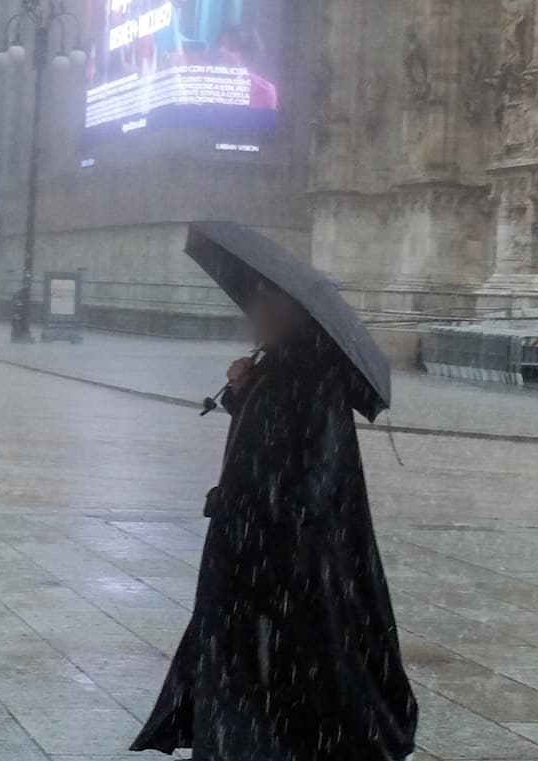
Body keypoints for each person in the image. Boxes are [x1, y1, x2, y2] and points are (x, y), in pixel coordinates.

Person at [131, 280, 418, 759]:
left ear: (294, 314)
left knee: (301, 648)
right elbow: (262, 432)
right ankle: (235, 735)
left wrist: (284, 525)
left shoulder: (316, 374)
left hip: (285, 543)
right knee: (237, 641)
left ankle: (290, 736)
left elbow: (320, 467)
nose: (257, 314)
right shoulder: (276, 363)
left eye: (268, 305)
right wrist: (240, 392)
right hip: (247, 533)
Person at [217, 26, 279, 110]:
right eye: (221, 45)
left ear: (246, 55)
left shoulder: (265, 90)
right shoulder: (203, 84)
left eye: (231, 48)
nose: (221, 50)